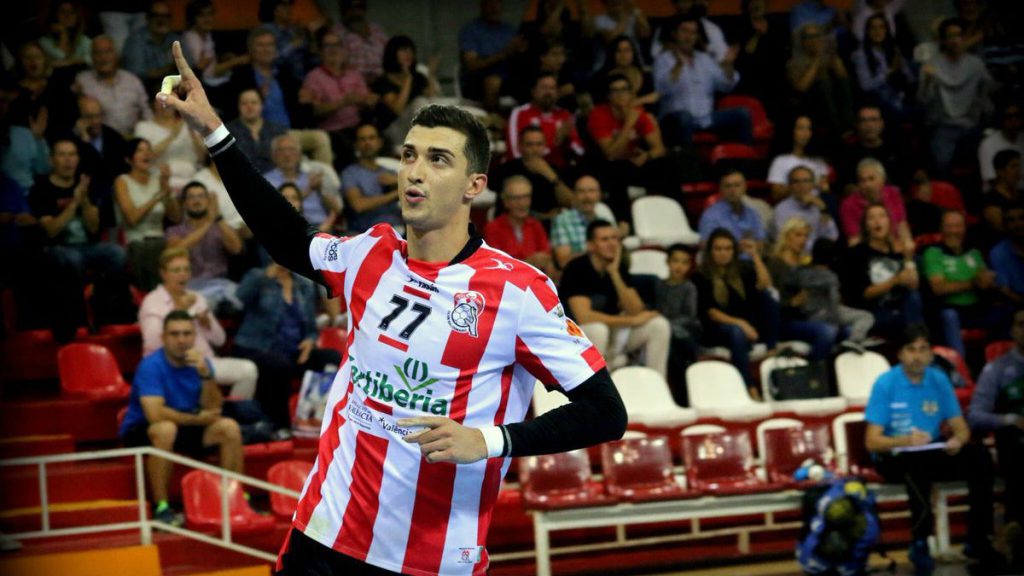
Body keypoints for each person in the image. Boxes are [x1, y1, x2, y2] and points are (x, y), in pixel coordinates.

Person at [159, 41, 626, 574]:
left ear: (475, 185)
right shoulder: (370, 252)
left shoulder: (518, 292)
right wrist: (215, 132)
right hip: (324, 535)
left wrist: (489, 440)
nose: (414, 172)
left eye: (437, 159)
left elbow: (605, 412)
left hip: (431, 558)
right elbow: (288, 239)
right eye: (408, 155)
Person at [865, 323, 1005, 575]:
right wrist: (905, 440)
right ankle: (920, 542)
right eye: (911, 349)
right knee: (917, 463)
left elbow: (961, 428)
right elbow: (872, 441)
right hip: (893, 454)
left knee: (979, 457)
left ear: (931, 353)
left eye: (923, 349)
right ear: (900, 354)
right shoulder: (885, 383)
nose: (918, 356)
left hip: (931, 447)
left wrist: (958, 441)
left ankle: (979, 538)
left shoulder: (939, 380)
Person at [119, 310, 245, 526]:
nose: (181, 340)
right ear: (163, 338)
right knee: (166, 429)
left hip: (184, 424)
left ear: (194, 337)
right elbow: (155, 414)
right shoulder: (151, 366)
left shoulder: (201, 364)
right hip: (143, 428)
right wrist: (197, 419)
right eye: (175, 334)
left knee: (229, 427)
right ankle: (161, 508)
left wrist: (205, 375)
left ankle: (233, 500)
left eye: (187, 334)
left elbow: (214, 407)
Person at [28, 139, 129, 339]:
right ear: (51, 160)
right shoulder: (41, 189)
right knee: (73, 259)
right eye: (62, 154)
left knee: (117, 253)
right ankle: (79, 318)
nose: (68, 160)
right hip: (56, 247)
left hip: (88, 246)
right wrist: (74, 203)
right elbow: (51, 231)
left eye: (72, 154)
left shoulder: (86, 185)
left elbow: (93, 227)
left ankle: (108, 312)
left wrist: (84, 200)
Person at [139, 248, 258, 399]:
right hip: (170, 365)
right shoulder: (153, 302)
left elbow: (220, 340)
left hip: (205, 361)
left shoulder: (197, 298)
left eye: (186, 269)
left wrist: (207, 323)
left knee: (248, 370)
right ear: (164, 274)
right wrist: (180, 310)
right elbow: (153, 345)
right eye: (176, 270)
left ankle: (234, 410)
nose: (183, 274)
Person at [560, 219, 670, 376]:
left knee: (658, 325)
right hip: (578, 334)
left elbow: (636, 310)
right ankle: (597, 385)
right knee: (599, 329)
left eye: (614, 238)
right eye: (604, 239)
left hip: (614, 332)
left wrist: (614, 273)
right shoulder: (577, 268)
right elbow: (584, 316)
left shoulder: (618, 267)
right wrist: (630, 321)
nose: (612, 244)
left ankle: (657, 382)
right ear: (591, 245)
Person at [694, 227, 779, 394]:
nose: (723, 253)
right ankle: (749, 387)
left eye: (728, 249)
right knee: (736, 332)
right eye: (718, 249)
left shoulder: (742, 270)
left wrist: (755, 256)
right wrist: (741, 324)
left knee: (768, 299)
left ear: (734, 251)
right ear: (710, 252)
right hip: (717, 329)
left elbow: (766, 284)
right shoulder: (700, 276)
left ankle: (771, 350)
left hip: (747, 325)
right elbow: (711, 313)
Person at [969, 308, 1024, 561]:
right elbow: (975, 415)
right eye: (1021, 324)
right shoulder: (997, 370)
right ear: (1013, 330)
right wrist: (1011, 420)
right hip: (1016, 445)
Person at [654, 15, 748, 149]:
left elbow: (726, 86)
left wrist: (728, 65)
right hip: (674, 119)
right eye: (684, 31)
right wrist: (678, 66)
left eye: (693, 33)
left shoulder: (704, 59)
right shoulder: (663, 59)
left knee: (742, 114)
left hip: (705, 117)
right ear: (674, 34)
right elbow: (661, 90)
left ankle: (742, 159)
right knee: (684, 118)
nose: (689, 36)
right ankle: (688, 162)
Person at [586, 72, 670, 221]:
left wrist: (647, 155)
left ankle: (669, 216)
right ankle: (624, 223)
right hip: (606, 166)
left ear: (631, 93)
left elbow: (659, 149)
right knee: (616, 172)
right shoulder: (598, 115)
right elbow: (610, 154)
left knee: (664, 165)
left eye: (624, 90)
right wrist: (629, 123)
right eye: (615, 91)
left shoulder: (639, 113)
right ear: (608, 96)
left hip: (633, 161)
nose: (620, 95)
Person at [917, 17, 995, 175]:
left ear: (964, 38)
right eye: (950, 36)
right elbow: (922, 99)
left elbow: (988, 91)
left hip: (971, 125)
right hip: (943, 126)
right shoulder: (931, 65)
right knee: (941, 166)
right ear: (943, 40)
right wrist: (927, 81)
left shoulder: (976, 64)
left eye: (959, 35)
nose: (955, 40)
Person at [923, 210, 1002, 357]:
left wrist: (990, 282)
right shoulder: (933, 253)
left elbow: (984, 279)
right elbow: (938, 287)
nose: (953, 231)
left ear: (965, 229)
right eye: (949, 226)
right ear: (941, 229)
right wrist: (973, 282)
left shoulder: (974, 253)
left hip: (977, 308)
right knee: (949, 315)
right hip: (950, 310)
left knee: (1006, 311)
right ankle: (960, 365)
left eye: (958, 226)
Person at [842, 203, 923, 339]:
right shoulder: (856, 254)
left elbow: (913, 285)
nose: (877, 221)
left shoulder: (896, 253)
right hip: (872, 311)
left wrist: (908, 258)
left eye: (882, 216)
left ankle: (917, 342)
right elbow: (863, 294)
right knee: (903, 319)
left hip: (899, 307)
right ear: (865, 225)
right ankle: (916, 342)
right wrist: (895, 281)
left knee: (914, 297)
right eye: (871, 218)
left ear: (889, 222)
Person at [114, 138, 181, 291]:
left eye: (148, 150)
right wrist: (157, 196)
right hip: (136, 241)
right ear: (128, 159)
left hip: (159, 239)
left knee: (178, 243)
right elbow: (132, 219)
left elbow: (176, 217)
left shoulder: (158, 180)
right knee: (154, 250)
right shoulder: (122, 181)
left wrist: (166, 187)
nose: (146, 154)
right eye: (140, 150)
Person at [165, 181, 244, 312]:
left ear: (208, 201)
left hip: (221, 284)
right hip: (190, 286)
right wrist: (208, 222)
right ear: (184, 203)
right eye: (191, 197)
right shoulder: (175, 231)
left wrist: (218, 218)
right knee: (203, 304)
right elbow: (176, 251)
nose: (197, 201)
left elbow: (236, 249)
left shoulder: (220, 227)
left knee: (242, 298)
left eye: (201, 196)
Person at [301, 31, 376, 160]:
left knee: (381, 139)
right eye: (328, 45)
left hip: (359, 127)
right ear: (320, 51)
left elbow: (368, 100)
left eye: (337, 45)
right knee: (347, 147)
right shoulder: (313, 77)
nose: (334, 49)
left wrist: (366, 101)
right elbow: (314, 111)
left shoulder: (354, 74)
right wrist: (342, 102)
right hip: (333, 131)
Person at [787, 23, 854, 144]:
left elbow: (844, 80)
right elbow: (801, 88)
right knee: (823, 84)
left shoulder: (828, 57)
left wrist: (834, 59)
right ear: (802, 41)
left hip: (833, 100)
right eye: (809, 37)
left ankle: (849, 124)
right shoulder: (794, 63)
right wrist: (817, 60)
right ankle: (839, 128)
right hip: (809, 102)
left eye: (817, 36)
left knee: (843, 83)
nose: (814, 40)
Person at [226, 26, 304, 128]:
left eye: (270, 45)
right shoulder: (240, 77)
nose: (266, 49)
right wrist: (260, 96)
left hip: (290, 131)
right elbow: (234, 112)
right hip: (258, 133)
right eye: (260, 45)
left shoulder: (284, 74)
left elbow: (296, 105)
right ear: (250, 49)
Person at [74, 35, 153, 137]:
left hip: (133, 140)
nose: (103, 58)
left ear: (116, 55)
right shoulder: (82, 81)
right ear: (91, 57)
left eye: (108, 52)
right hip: (99, 140)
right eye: (98, 53)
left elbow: (146, 112)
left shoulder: (132, 80)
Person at [490, 125, 573, 221]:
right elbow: (505, 208)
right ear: (520, 146)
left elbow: (571, 203)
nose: (535, 149)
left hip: (552, 225)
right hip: (516, 224)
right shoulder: (506, 170)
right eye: (529, 145)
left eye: (539, 144)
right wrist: (544, 216)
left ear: (544, 145)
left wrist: (550, 175)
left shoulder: (555, 169)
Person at [458, 0, 528, 110]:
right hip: (477, 80)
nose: (495, 8)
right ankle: (492, 118)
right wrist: (503, 54)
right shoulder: (471, 30)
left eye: (497, 4)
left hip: (507, 78)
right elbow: (471, 64)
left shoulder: (509, 30)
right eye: (491, 4)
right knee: (493, 82)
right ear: (482, 6)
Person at [262, 133, 342, 229]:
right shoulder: (266, 181)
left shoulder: (313, 176)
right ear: (273, 155)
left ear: (299, 154)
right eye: (281, 150)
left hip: (324, 228)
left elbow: (337, 209)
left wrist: (321, 189)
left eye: (291, 149)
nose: (287, 155)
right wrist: (308, 190)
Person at [507, 71, 585, 169]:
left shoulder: (564, 115)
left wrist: (567, 140)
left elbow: (580, 152)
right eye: (544, 88)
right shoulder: (520, 113)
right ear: (533, 91)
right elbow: (514, 152)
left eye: (552, 88)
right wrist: (555, 143)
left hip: (561, 170)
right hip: (526, 169)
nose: (548, 92)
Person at [372, 35, 439, 148]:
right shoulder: (383, 81)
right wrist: (408, 79)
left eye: (410, 50)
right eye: (403, 50)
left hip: (416, 129)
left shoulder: (418, 77)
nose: (408, 54)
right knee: (419, 102)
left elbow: (432, 98)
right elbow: (397, 109)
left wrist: (430, 73)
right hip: (393, 131)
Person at [654, 243, 701, 405]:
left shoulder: (689, 287)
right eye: (675, 261)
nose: (679, 266)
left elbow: (690, 316)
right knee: (672, 353)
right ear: (667, 262)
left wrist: (667, 325)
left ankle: (684, 399)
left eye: (684, 262)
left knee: (676, 351)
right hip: (666, 335)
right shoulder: (659, 285)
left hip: (684, 333)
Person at [483, 175, 554, 277]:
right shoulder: (493, 228)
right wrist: (529, 262)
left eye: (526, 197)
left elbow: (546, 256)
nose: (522, 203)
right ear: (506, 202)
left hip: (534, 279)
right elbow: (496, 265)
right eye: (516, 198)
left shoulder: (535, 225)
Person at [851, 13, 914, 119]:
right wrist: (888, 73)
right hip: (879, 101)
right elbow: (865, 85)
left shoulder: (894, 50)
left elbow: (910, 78)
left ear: (886, 30)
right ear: (867, 31)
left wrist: (902, 69)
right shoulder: (861, 55)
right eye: (873, 28)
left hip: (901, 96)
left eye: (881, 27)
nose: (877, 31)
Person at [340, 123, 401, 233]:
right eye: (362, 139)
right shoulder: (350, 173)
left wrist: (399, 181)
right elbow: (358, 205)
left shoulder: (391, 173)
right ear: (356, 144)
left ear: (380, 142)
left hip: (398, 229)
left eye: (372, 138)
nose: (367, 142)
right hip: (367, 233)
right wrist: (397, 193)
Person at [134, 99, 206, 190]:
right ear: (153, 104)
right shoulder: (143, 127)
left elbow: (203, 158)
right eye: (160, 101)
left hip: (193, 177)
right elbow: (143, 157)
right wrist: (172, 136)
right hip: (160, 177)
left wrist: (193, 134)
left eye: (168, 100)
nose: (165, 104)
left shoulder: (189, 124)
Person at [840, 157, 912, 248]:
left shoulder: (893, 193)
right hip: (868, 251)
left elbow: (902, 226)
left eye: (871, 179)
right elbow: (854, 239)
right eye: (862, 180)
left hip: (896, 247)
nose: (867, 184)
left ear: (882, 179)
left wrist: (907, 245)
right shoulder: (848, 205)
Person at [837, 104, 909, 191]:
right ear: (857, 124)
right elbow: (847, 186)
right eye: (863, 120)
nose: (869, 125)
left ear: (881, 123)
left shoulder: (897, 149)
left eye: (874, 120)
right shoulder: (847, 154)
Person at [698, 170, 767, 257]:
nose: (732, 190)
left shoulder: (753, 214)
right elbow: (705, 245)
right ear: (721, 189)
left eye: (737, 185)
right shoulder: (710, 215)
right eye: (727, 186)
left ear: (745, 187)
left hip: (751, 261)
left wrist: (753, 247)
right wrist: (737, 248)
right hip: (725, 262)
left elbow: (761, 243)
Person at [767, 115, 834, 203]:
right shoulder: (780, 161)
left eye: (809, 129)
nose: (805, 133)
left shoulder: (819, 161)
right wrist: (803, 185)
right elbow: (776, 194)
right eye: (800, 128)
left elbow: (825, 188)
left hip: (816, 206)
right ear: (792, 131)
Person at [771, 166, 838, 250]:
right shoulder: (781, 209)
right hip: (795, 254)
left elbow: (833, 236)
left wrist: (823, 209)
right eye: (796, 182)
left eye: (806, 181)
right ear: (790, 186)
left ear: (813, 184)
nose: (801, 185)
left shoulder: (819, 204)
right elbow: (784, 241)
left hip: (819, 254)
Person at [123, 1, 182, 95]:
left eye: (165, 16)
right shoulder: (136, 40)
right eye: (156, 15)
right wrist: (170, 68)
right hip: (145, 89)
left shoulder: (175, 38)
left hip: (175, 85)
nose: (161, 20)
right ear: (147, 18)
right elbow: (137, 74)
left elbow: (190, 66)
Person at [225, 89, 288, 175]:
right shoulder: (227, 131)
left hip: (275, 178)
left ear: (262, 105)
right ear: (238, 106)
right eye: (244, 103)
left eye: (254, 102)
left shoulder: (278, 131)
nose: (249, 107)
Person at [551, 174, 606, 268]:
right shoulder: (563, 220)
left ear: (599, 195)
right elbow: (563, 262)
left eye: (591, 191)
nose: (587, 196)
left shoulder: (604, 221)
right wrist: (595, 252)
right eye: (582, 191)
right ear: (574, 195)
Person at [333, 0, 390, 83]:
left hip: (384, 81)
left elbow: (392, 55)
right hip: (354, 84)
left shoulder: (376, 30)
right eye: (350, 7)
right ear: (343, 10)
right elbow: (335, 66)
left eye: (360, 7)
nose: (355, 12)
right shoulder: (336, 34)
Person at [978, 102, 1023, 191]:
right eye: (1009, 116)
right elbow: (992, 180)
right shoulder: (988, 144)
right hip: (997, 194)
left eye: (1017, 116)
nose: (1014, 120)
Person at [981, 149, 1022, 242]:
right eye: (1013, 166)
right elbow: (1001, 228)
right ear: (1000, 171)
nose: (1018, 171)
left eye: (1019, 166)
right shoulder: (990, 199)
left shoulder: (1022, 194)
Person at [39, 1, 93, 70]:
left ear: (77, 17)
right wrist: (63, 34)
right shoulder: (44, 41)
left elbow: (93, 59)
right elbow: (60, 56)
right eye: (63, 12)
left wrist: (70, 62)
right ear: (55, 15)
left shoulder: (83, 40)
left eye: (72, 12)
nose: (68, 16)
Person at [989, 203, 1024, 305]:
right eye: (1011, 220)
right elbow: (1005, 291)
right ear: (1005, 225)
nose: (1018, 224)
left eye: (1022, 218)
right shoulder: (998, 253)